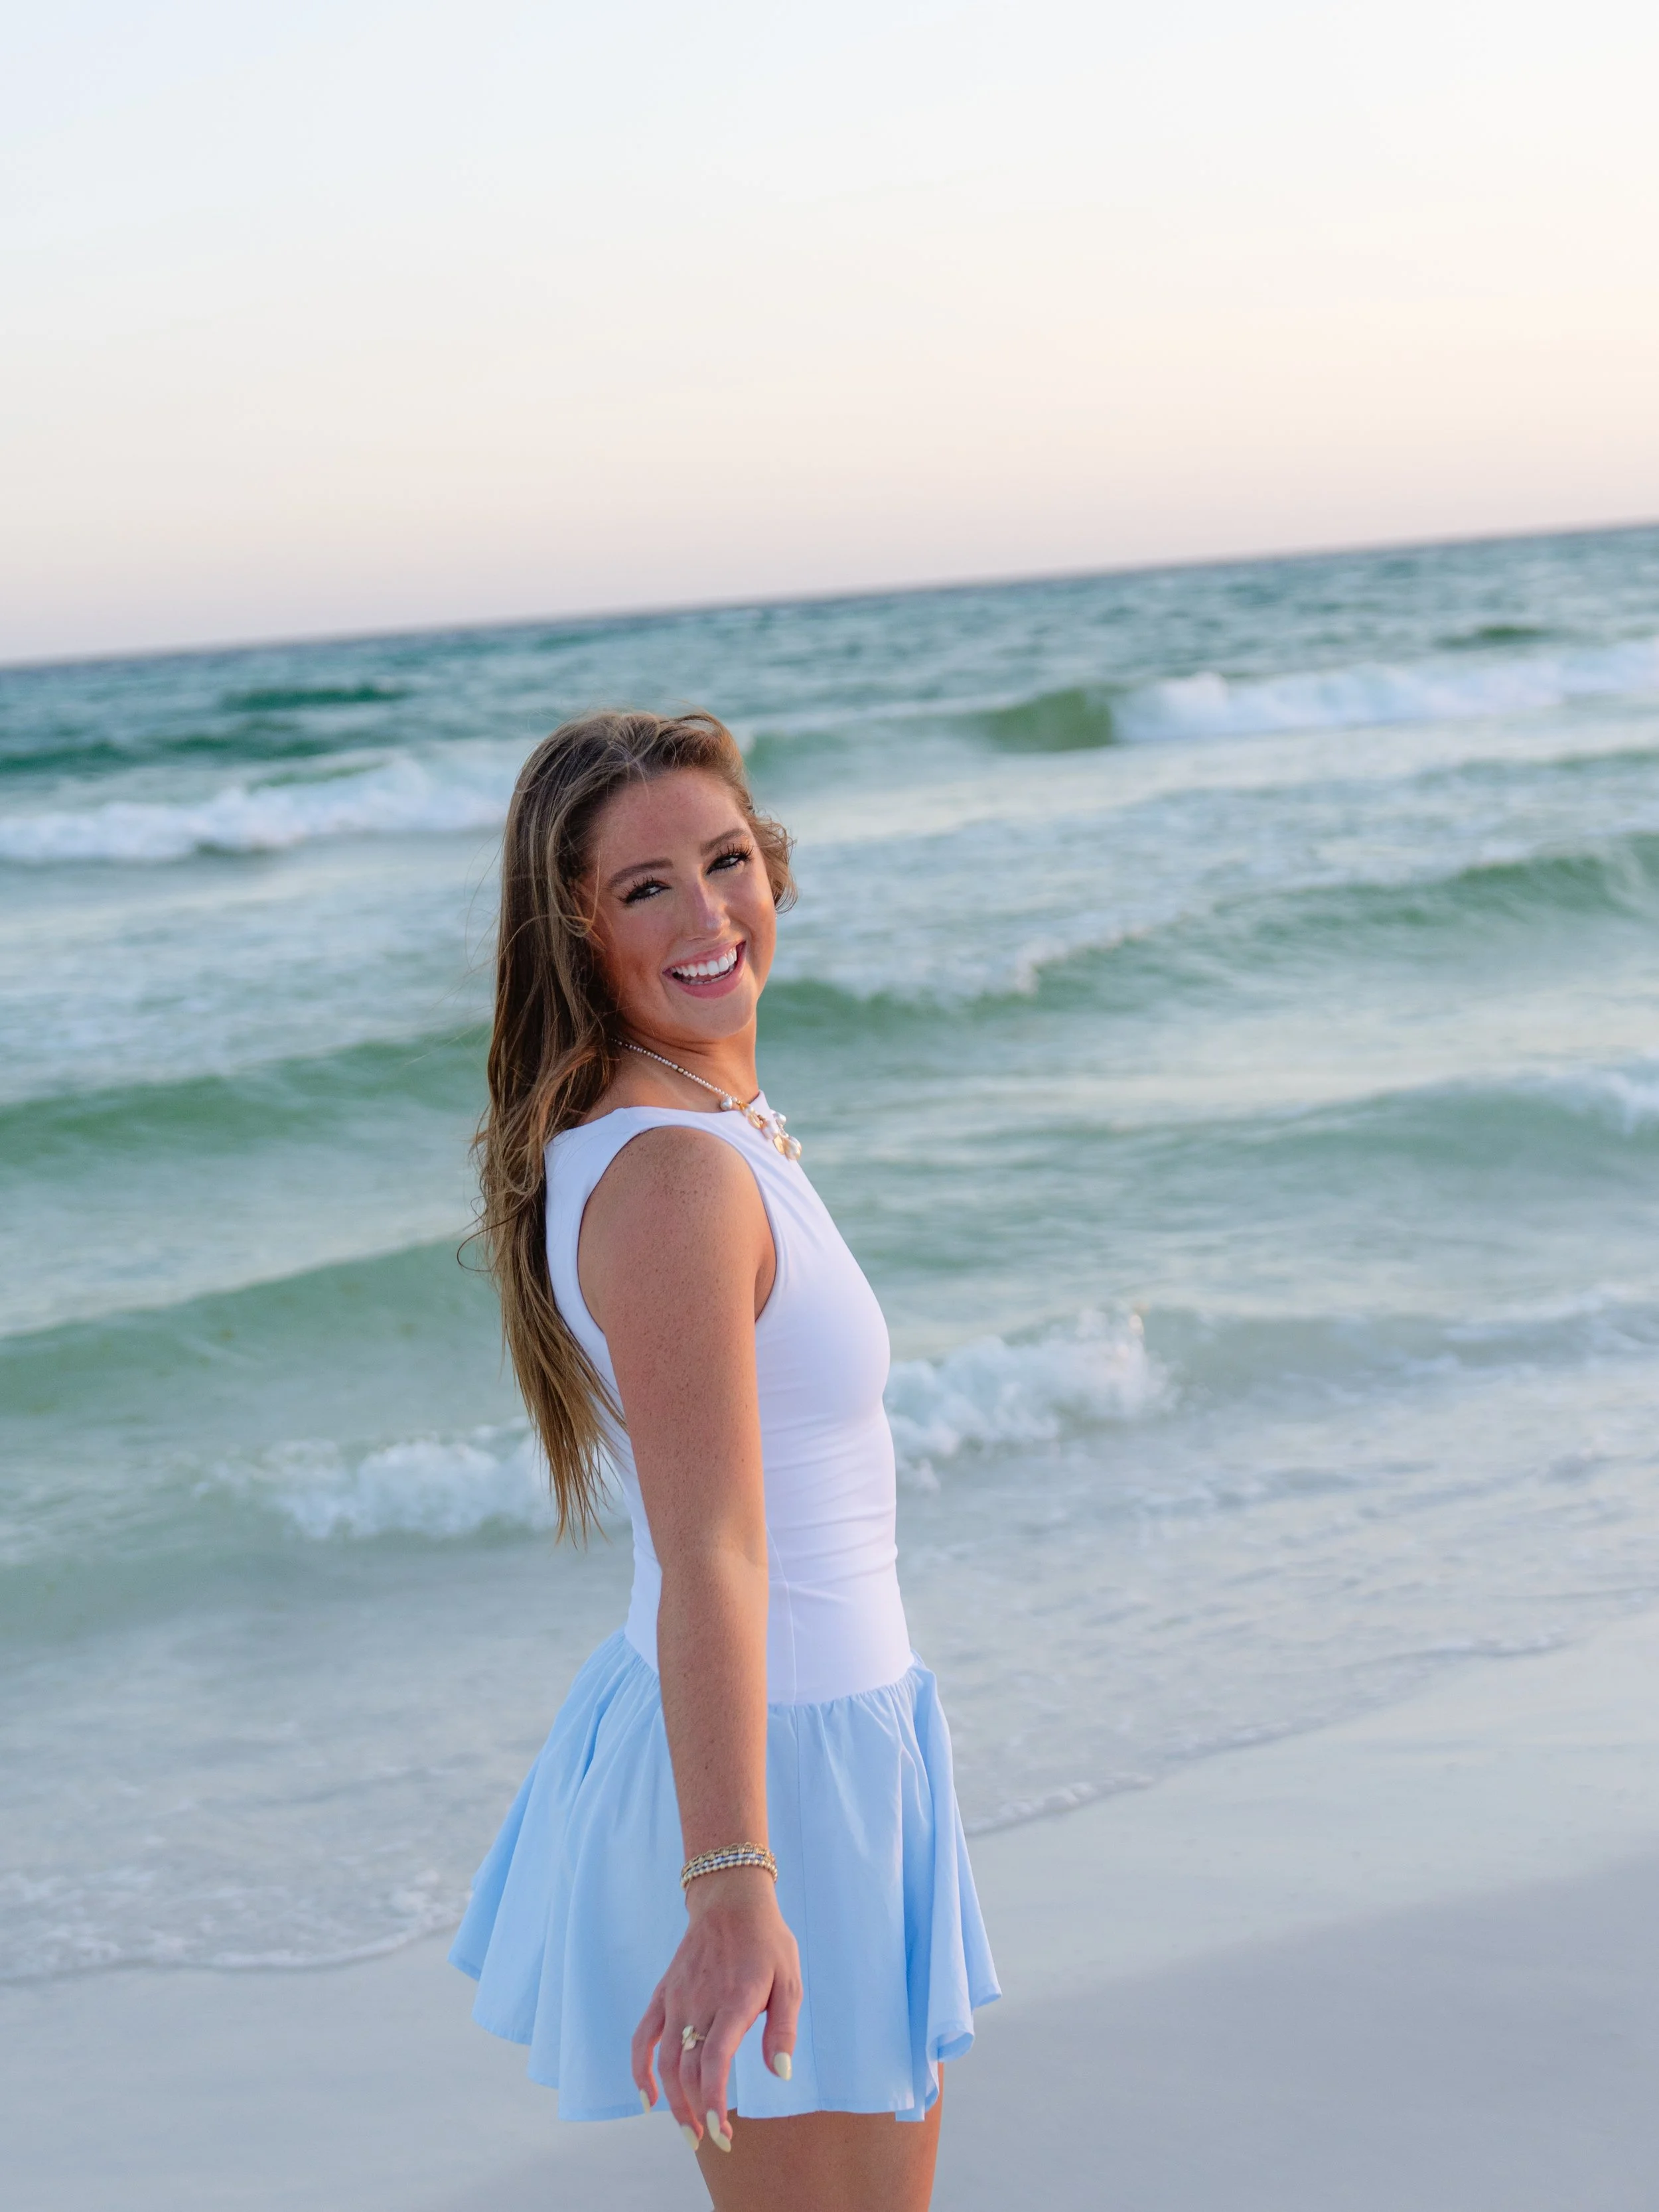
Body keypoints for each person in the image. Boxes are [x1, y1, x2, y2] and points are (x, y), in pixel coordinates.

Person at [451, 710, 998, 2211]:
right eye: (645, 888)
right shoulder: (674, 1175)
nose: (705, 916)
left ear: (776, 869)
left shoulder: (709, 1124)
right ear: (575, 928)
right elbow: (712, 1549)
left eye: (726, 860)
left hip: (838, 1735)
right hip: (782, 1772)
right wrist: (733, 1884)